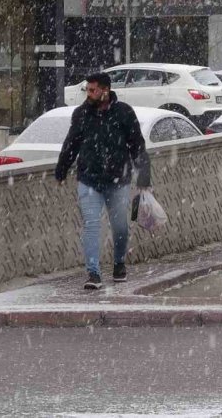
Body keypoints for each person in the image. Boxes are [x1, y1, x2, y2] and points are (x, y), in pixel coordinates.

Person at [55, 72, 151, 290]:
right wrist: (61, 170)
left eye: (93, 90)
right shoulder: (81, 114)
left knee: (120, 228)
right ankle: (93, 273)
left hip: (118, 181)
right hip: (89, 179)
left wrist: (143, 176)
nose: (88, 94)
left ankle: (119, 263)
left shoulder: (124, 112)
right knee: (91, 224)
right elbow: (71, 144)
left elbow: (137, 146)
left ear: (105, 90)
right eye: (87, 90)